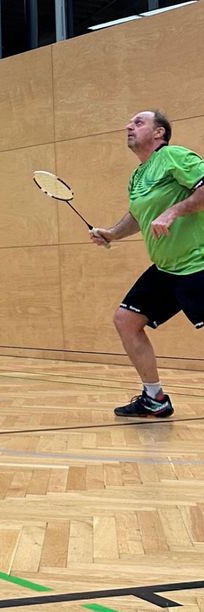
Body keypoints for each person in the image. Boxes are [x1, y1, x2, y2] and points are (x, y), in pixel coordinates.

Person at [90, 110, 204, 418]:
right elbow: (138, 215)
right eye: (129, 122)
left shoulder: (173, 156)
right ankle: (155, 399)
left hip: (198, 264)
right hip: (167, 269)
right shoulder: (139, 175)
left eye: (139, 122)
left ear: (159, 134)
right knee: (126, 320)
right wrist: (112, 233)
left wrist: (173, 212)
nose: (129, 126)